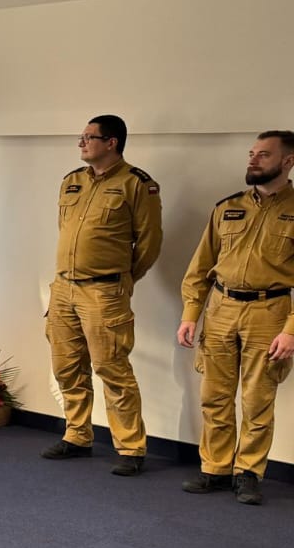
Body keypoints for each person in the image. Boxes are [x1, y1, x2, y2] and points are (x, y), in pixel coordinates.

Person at [176, 130, 294, 506]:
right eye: (252, 153)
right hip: (221, 308)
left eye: (264, 154)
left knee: (258, 400)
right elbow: (200, 267)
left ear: (288, 161)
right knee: (214, 396)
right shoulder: (227, 207)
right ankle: (215, 468)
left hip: (270, 311)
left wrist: (291, 330)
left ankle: (248, 473)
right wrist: (191, 314)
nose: (253, 159)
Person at [41, 114, 163, 476]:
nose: (81, 143)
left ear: (111, 143)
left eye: (89, 137)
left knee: (112, 368)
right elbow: (66, 230)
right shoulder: (72, 181)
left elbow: (149, 243)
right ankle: (77, 435)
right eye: (81, 137)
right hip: (64, 287)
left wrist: (122, 278)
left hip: (104, 291)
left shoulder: (137, 184)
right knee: (66, 366)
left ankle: (130, 447)